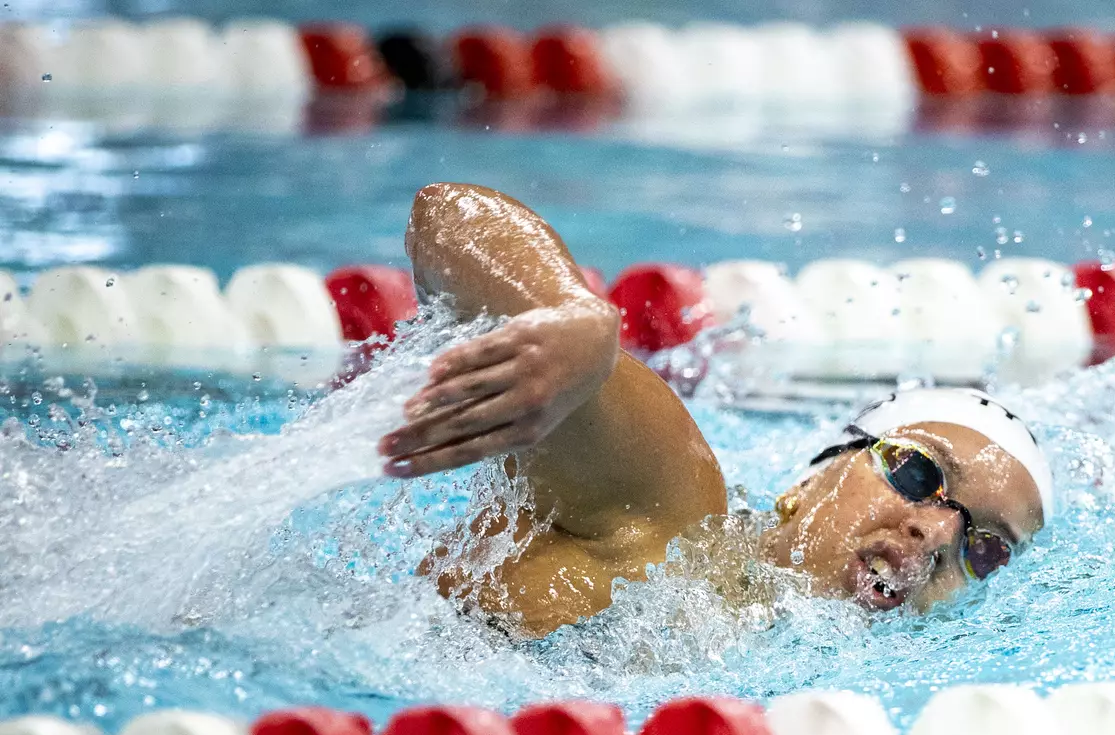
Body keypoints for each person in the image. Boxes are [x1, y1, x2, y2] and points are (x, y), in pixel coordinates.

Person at [378, 183, 1053, 636]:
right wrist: (570, 317)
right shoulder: (670, 518)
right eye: (917, 474)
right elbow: (447, 214)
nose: (938, 538)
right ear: (809, 482)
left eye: (985, 549)